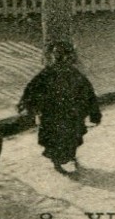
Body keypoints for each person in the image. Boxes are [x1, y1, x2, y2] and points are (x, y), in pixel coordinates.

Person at [18, 42, 102, 175]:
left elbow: (31, 90)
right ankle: (61, 159)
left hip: (58, 114)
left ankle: (61, 159)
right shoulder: (70, 73)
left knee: (61, 137)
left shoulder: (49, 73)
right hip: (62, 114)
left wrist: (26, 106)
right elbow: (89, 94)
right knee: (64, 137)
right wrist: (94, 114)